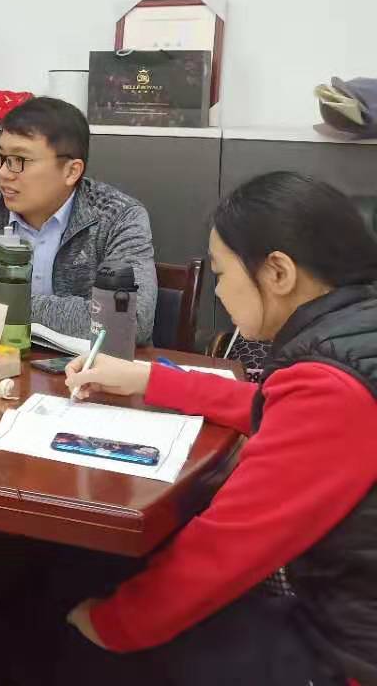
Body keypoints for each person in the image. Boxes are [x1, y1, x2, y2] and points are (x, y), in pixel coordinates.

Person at [52, 172, 377, 685]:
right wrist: (148, 379)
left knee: (59, 634)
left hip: (343, 655)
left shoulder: (331, 389)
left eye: (223, 274)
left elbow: (223, 550)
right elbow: (275, 408)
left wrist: (107, 625)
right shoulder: (356, 335)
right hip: (348, 617)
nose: (219, 293)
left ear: (278, 272)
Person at [0, 96, 157, 342]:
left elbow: (130, 319)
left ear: (71, 171)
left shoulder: (118, 216)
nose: (3, 173)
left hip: (85, 365)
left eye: (19, 161)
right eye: (0, 157)